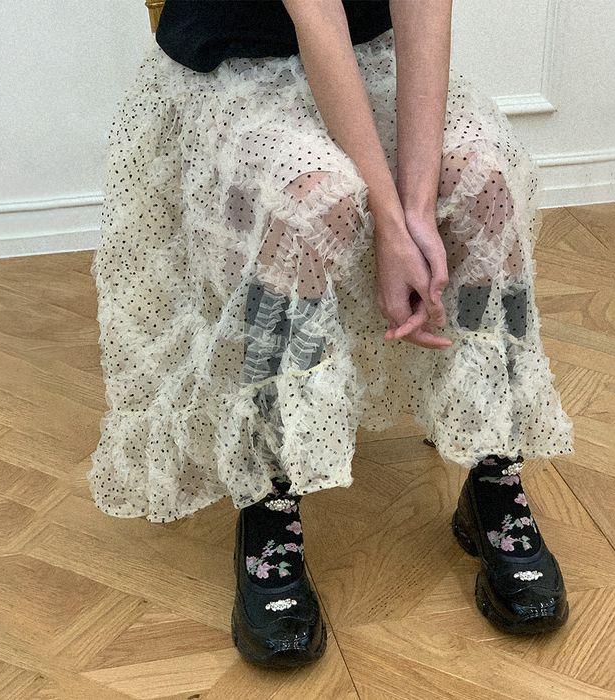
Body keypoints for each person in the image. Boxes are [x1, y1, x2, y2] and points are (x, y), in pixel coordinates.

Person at [88, 0, 574, 668]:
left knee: (485, 182)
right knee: (310, 199)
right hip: (236, 57)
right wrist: (391, 225)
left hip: (372, 56)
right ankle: (267, 492)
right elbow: (317, 15)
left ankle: (493, 462)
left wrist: (417, 208)